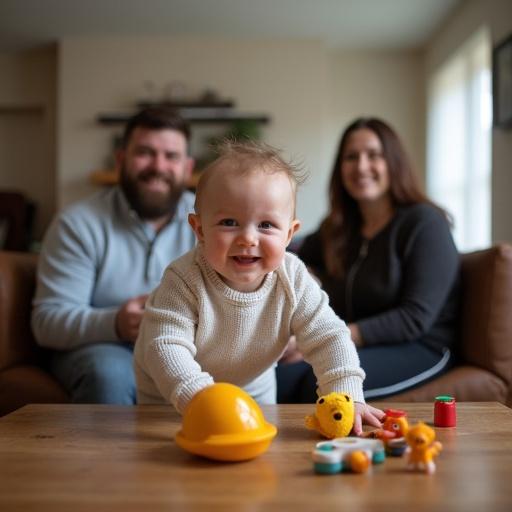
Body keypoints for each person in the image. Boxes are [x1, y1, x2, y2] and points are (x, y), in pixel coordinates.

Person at [134, 140, 384, 434]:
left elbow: (328, 336)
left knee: (258, 458)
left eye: (266, 225)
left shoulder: (293, 278)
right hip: (173, 396)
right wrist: (205, 400)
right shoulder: (183, 279)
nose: (248, 239)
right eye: (229, 222)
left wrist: (347, 394)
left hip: (255, 390)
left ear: (290, 234)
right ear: (199, 229)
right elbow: (166, 347)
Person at [277, 117, 460, 402]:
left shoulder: (425, 223)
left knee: (318, 389)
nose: (361, 166)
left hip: (420, 346)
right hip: (353, 343)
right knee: (275, 378)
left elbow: (415, 317)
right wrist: (306, 275)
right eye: (351, 157)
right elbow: (287, 255)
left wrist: (331, 337)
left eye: (374, 155)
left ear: (393, 162)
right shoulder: (337, 228)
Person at [31, 106, 197, 404]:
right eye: (145, 152)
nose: (158, 166)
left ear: (187, 168)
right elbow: (47, 322)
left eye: (171, 156)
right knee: (109, 373)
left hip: (193, 346)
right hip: (105, 347)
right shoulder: (78, 223)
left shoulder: (212, 220)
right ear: (121, 160)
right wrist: (116, 323)